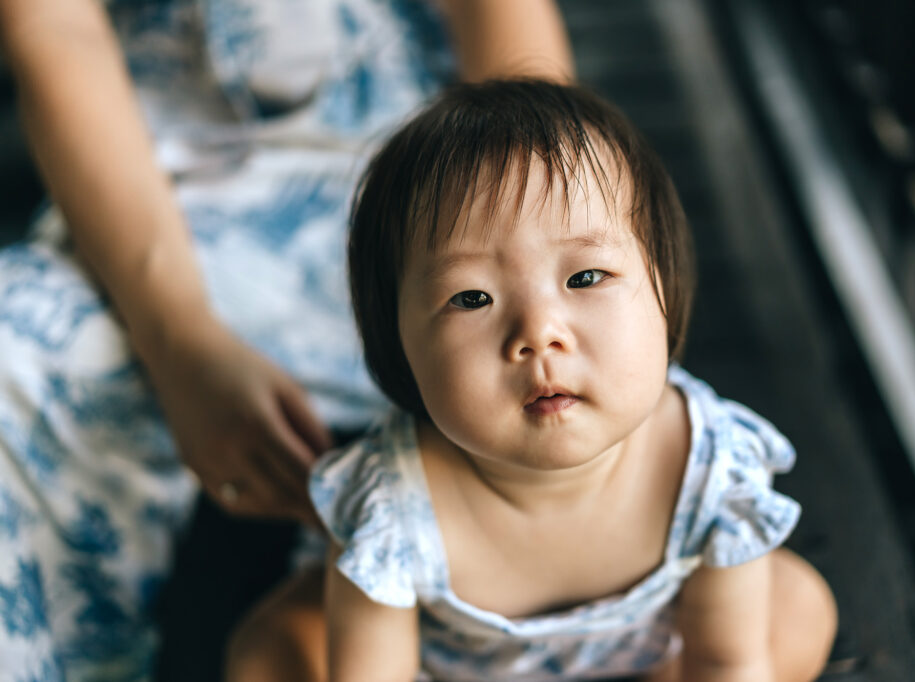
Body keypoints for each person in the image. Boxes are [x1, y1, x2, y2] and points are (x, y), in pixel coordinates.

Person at [0, 1, 572, 680]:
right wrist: (181, 339)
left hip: (433, 193)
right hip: (145, 193)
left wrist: (542, 250)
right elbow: (53, 23)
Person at [228, 79, 838, 682]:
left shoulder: (709, 467)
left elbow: (727, 662)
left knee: (797, 606)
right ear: (398, 347)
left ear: (664, 292)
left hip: (654, 654)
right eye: (471, 297)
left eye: (586, 278)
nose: (539, 333)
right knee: (270, 654)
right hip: (442, 667)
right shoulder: (393, 505)